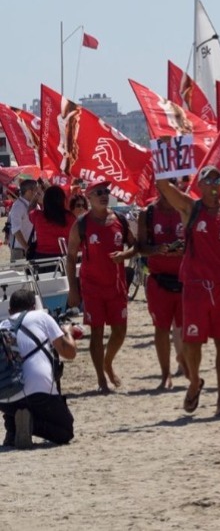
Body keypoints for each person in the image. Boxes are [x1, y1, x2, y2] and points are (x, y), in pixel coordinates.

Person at [156, 168, 220, 418]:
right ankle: (194, 382)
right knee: (192, 345)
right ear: (200, 184)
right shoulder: (191, 208)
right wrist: (166, 160)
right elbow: (164, 186)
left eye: (217, 180)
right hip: (195, 287)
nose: (214, 185)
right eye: (209, 180)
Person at [65, 179, 137, 393]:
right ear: (89, 197)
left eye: (106, 191)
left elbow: (135, 247)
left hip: (116, 286)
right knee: (96, 333)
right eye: (98, 192)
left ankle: (108, 362)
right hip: (92, 286)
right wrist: (73, 289)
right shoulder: (82, 224)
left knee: (120, 331)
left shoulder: (120, 220)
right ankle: (101, 380)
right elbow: (70, 257)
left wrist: (124, 254)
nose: (104, 195)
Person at [1, 289, 77, 448]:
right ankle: (30, 425)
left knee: (16, 396)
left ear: (10, 311)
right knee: (65, 431)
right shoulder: (41, 316)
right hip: (39, 393)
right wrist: (68, 332)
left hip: (5, 398)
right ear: (33, 307)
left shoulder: (2, 326)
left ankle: (13, 428)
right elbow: (69, 352)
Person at [137, 187, 188, 390]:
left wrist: (183, 249)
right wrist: (158, 249)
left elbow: (196, 242)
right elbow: (140, 246)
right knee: (161, 328)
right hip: (159, 280)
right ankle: (165, 374)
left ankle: (185, 365)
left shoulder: (185, 210)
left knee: (187, 329)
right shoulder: (147, 214)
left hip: (184, 278)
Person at [28, 185, 72, 264]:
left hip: (42, 258)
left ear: (45, 200)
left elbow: (29, 210)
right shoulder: (71, 218)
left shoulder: (38, 216)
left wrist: (35, 198)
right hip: (64, 258)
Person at [7, 179, 38, 262]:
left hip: (33, 248)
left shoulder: (35, 205)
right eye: (36, 190)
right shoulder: (18, 206)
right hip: (20, 250)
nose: (38, 192)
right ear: (29, 191)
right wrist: (26, 248)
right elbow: (16, 230)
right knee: (18, 274)